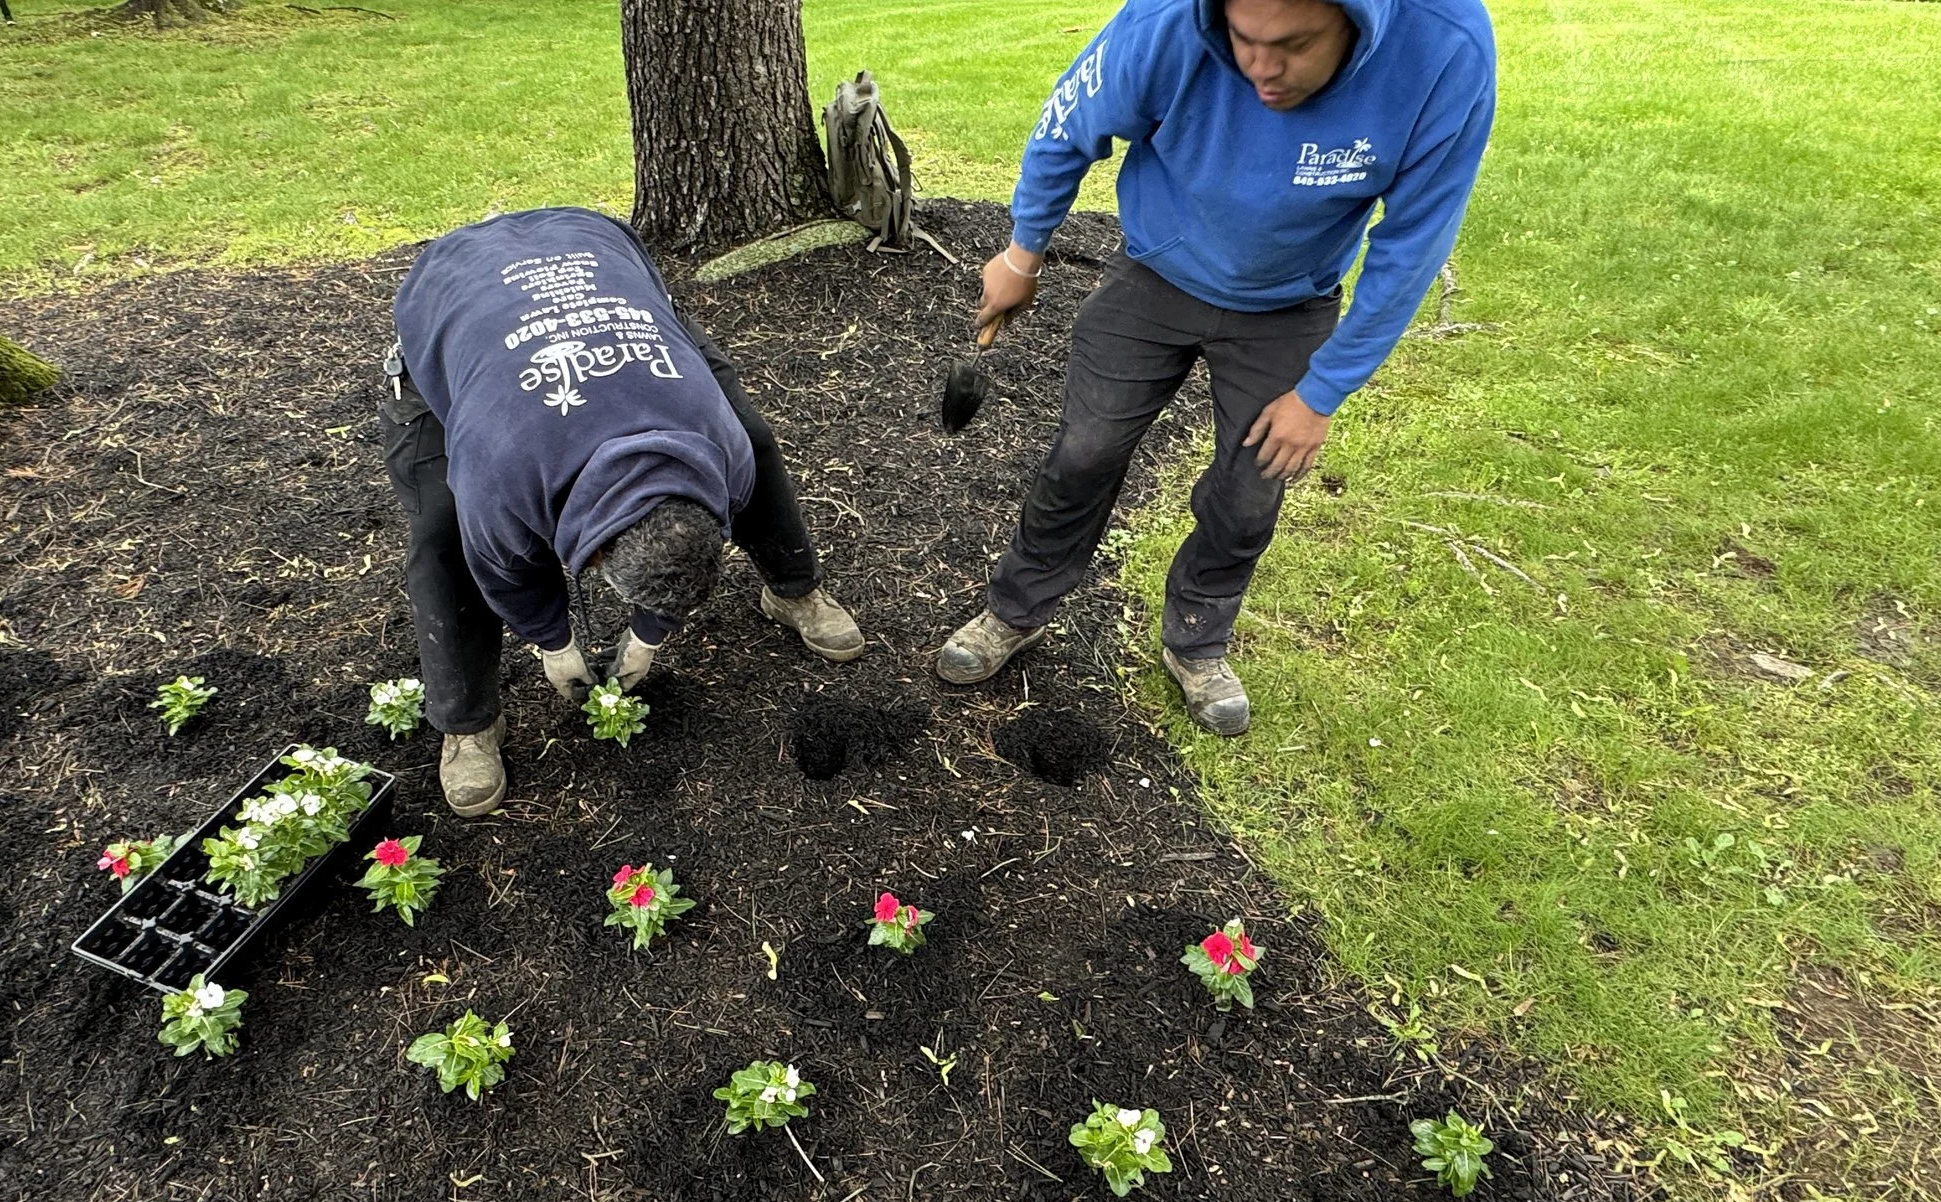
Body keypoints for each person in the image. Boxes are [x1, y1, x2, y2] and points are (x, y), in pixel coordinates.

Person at [934, 0, 1496, 735]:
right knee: (1084, 451)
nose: (1262, 69)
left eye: (1293, 45)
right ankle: (1016, 610)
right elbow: (1068, 127)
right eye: (1244, 40)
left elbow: (1415, 240)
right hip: (1155, 271)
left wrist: (1321, 393)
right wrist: (1022, 253)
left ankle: (1196, 637)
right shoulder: (1166, 21)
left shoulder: (1444, 49)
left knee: (1249, 492)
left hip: (1290, 303)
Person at [384, 207, 866, 816]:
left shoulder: (724, 455)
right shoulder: (503, 472)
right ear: (600, 551)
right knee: (442, 540)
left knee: (759, 438)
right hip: (454, 304)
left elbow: (679, 550)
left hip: (596, 261)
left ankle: (792, 590)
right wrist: (551, 642)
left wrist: (647, 638)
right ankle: (469, 722)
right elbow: (504, 569)